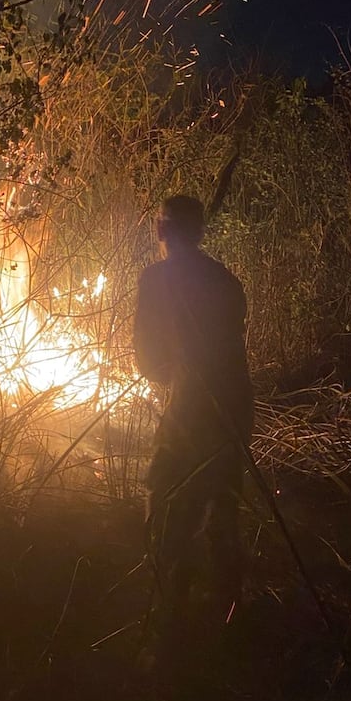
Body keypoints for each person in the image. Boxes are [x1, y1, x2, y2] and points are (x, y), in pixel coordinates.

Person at [134, 195, 254, 623]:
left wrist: (170, 375)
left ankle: (170, 609)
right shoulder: (225, 279)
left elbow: (150, 362)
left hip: (193, 404)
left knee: (165, 494)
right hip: (236, 404)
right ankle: (229, 609)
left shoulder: (156, 279)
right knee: (223, 502)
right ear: (201, 232)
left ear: (161, 230)